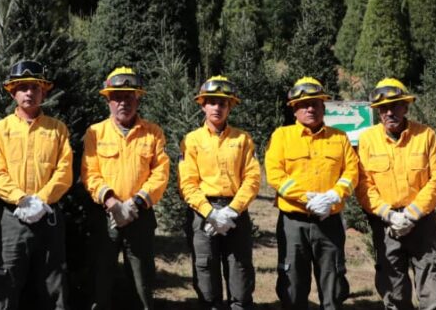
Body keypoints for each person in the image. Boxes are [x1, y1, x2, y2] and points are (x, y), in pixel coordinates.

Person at [265, 76, 359, 310]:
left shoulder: (339, 138)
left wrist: (333, 196)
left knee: (334, 282)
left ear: (323, 107)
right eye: (303, 104)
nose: (310, 108)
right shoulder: (281, 136)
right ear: (294, 110)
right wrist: (308, 198)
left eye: (315, 103)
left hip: (329, 221)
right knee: (293, 284)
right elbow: (275, 174)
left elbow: (352, 171)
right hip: (293, 222)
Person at [0, 60, 73, 309]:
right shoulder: (1, 130)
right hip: (13, 218)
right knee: (6, 281)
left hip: (48, 217)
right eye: (22, 87)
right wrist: (22, 199)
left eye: (35, 88)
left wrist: (42, 200)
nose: (29, 93)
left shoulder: (57, 130)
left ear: (43, 91)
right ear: (12, 92)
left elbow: (64, 171)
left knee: (53, 283)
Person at [355, 78, 436, 310]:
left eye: (395, 106)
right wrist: (388, 214)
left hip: (422, 222)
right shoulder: (368, 140)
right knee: (392, 286)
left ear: (406, 107)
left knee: (432, 282)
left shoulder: (425, 135)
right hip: (385, 223)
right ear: (377, 112)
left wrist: (412, 213)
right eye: (383, 108)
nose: (389, 112)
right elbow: (364, 185)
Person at [82, 66, 171, 309]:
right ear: (108, 100)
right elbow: (90, 172)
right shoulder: (95, 133)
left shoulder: (153, 133)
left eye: (129, 96)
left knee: (142, 280)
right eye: (117, 97)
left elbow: (161, 173)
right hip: (105, 217)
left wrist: (136, 202)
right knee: (101, 279)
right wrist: (112, 203)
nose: (124, 102)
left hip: (139, 215)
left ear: (138, 98)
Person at [178, 75, 261, 309]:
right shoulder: (191, 140)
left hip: (236, 212)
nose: (217, 107)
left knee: (240, 271)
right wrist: (210, 213)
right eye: (212, 102)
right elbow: (187, 183)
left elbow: (253, 178)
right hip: (203, 214)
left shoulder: (243, 139)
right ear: (203, 105)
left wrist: (233, 210)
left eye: (222, 103)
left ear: (230, 106)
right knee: (206, 272)